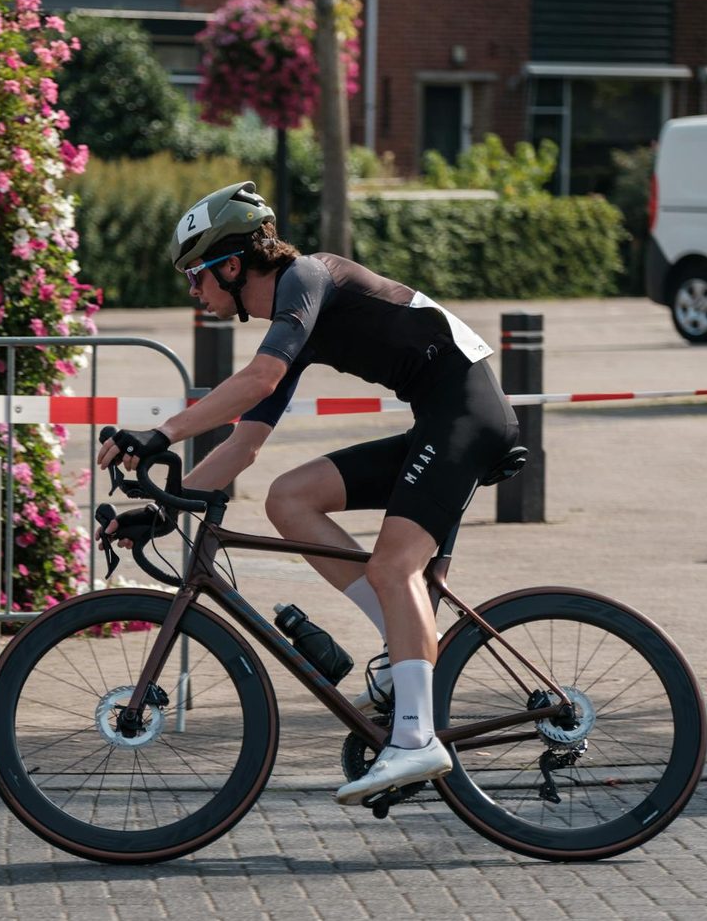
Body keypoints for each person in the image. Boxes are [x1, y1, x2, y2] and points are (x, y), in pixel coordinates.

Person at [95, 181, 518, 806]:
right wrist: (159, 515)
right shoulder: (298, 325)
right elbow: (242, 447)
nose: (193, 292)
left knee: (392, 565)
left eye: (197, 276)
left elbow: (258, 377)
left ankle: (415, 740)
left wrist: (161, 433)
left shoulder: (307, 278)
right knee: (288, 497)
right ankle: (404, 649)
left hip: (469, 417)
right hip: (440, 418)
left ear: (232, 264)